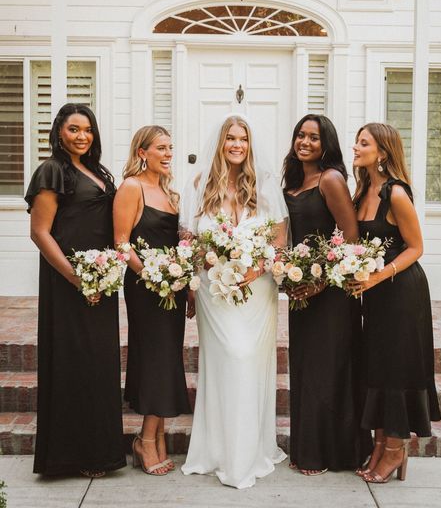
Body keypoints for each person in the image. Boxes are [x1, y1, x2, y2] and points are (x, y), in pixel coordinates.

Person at [180, 114, 289, 489]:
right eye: (230, 138)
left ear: (250, 144)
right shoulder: (200, 185)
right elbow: (190, 241)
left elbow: (279, 243)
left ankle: (249, 450)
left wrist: (253, 272)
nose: (237, 145)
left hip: (257, 291)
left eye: (243, 138)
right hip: (215, 292)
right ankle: (218, 449)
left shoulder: (266, 187)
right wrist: (194, 286)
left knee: (249, 361)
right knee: (226, 361)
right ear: (220, 143)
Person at [25, 103, 126, 477]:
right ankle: (73, 456)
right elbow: (40, 232)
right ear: (59, 132)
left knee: (99, 365)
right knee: (74, 363)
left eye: (87, 129)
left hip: (102, 282)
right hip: (69, 284)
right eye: (73, 129)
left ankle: (100, 452)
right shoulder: (52, 170)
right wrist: (75, 278)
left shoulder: (97, 171)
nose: (82, 136)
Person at [349, 122, 441, 483]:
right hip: (375, 297)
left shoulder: (396, 194)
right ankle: (379, 443)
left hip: (402, 293)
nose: (355, 147)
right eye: (356, 142)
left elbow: (416, 248)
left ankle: (395, 450)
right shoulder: (362, 191)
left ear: (382, 153)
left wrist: (377, 275)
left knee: (398, 368)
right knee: (378, 367)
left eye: (363, 143)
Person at [282, 114, 373, 475]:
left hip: (332, 293)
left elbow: (350, 237)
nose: (305, 142)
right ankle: (307, 447)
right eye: (300, 135)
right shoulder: (294, 181)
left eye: (314, 138)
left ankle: (327, 453)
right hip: (302, 290)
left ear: (326, 144)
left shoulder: (331, 179)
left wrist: (320, 281)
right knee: (305, 368)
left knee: (327, 370)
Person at [113, 126, 191, 476]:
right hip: (146, 288)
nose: (168, 153)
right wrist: (151, 275)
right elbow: (121, 242)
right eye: (160, 147)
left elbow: (177, 245)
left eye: (170, 147)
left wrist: (184, 284)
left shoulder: (169, 192)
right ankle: (146, 440)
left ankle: (155, 437)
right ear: (142, 152)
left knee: (166, 358)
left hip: (172, 288)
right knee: (156, 359)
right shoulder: (132, 187)